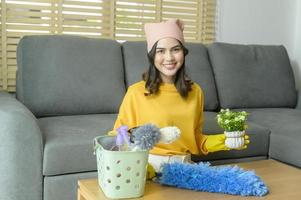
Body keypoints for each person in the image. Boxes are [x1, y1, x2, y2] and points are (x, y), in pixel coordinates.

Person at [111, 19, 249, 172]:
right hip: (146, 169)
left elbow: (194, 140)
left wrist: (224, 141)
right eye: (161, 51)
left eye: (175, 49)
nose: (169, 58)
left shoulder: (195, 92)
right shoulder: (136, 92)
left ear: (183, 52)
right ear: (152, 56)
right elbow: (119, 138)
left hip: (185, 169)